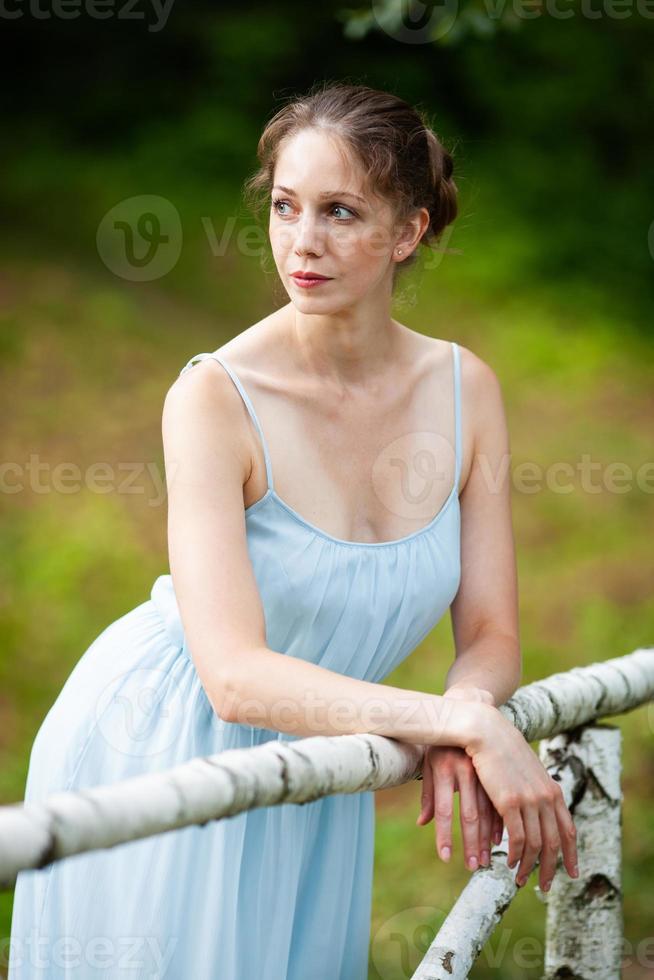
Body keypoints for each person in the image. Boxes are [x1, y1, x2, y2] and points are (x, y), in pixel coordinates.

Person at [8, 80, 578, 979]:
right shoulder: (213, 397)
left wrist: (469, 713)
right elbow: (232, 678)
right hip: (161, 748)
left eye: (340, 211)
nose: (301, 242)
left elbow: (492, 631)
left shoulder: (467, 390)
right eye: (284, 206)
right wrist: (448, 724)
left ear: (409, 232)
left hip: (334, 751)